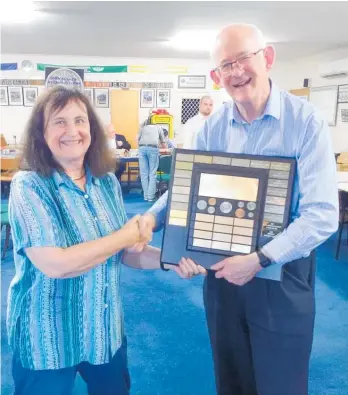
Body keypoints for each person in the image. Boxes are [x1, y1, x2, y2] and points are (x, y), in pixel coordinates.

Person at [137, 24, 339, 395]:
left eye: (243, 58)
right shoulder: (213, 127)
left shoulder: (305, 122)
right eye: (225, 65)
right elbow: (186, 186)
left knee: (282, 383)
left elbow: (322, 213)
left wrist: (259, 259)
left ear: (268, 58)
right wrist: (152, 218)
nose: (235, 71)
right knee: (232, 378)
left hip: (280, 275)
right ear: (217, 76)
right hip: (222, 273)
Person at [7, 86, 205, 395]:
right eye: (59, 122)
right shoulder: (29, 185)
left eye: (79, 120)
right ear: (41, 133)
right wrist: (124, 236)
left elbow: (125, 254)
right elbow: (56, 264)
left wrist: (169, 258)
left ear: (92, 128)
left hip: (103, 329)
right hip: (47, 333)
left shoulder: (105, 181)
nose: (72, 131)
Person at [138, 116, 167, 201]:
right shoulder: (158, 128)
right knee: (152, 174)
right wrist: (164, 147)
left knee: (144, 174)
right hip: (153, 149)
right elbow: (163, 142)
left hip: (142, 149)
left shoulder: (143, 128)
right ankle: (151, 197)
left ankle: (146, 196)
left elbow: (138, 138)